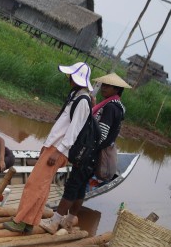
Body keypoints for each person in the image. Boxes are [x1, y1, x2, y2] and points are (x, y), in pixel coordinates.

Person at [3, 62, 93, 233]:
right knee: (41, 186)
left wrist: (58, 151)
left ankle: (20, 220)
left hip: (58, 150)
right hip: (53, 147)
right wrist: (47, 146)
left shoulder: (82, 101)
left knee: (34, 184)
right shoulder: (76, 96)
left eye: (71, 76)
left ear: (77, 78)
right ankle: (29, 221)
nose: (69, 79)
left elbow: (73, 131)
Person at [39, 72, 130, 234]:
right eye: (103, 85)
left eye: (107, 86)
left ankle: (54, 222)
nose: (103, 88)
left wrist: (86, 152)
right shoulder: (118, 107)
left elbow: (100, 134)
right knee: (80, 188)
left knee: (72, 186)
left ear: (117, 89)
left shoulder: (109, 107)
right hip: (95, 156)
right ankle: (68, 221)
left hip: (90, 154)